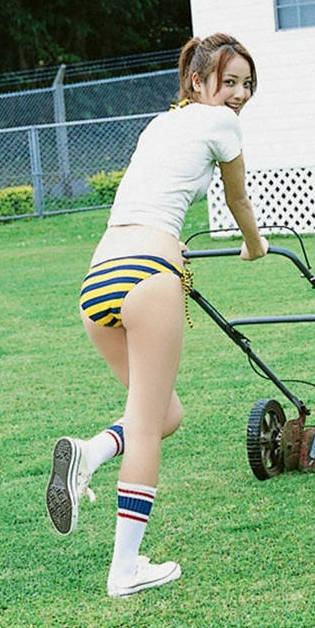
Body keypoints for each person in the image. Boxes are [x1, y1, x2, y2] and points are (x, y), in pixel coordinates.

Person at [46, 33, 267, 596]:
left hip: (99, 278)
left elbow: (150, 199)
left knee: (165, 414)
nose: (239, 93)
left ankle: (90, 454)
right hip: (148, 278)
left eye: (247, 83)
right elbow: (238, 200)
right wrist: (254, 244)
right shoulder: (220, 124)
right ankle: (125, 570)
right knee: (148, 424)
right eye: (229, 81)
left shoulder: (160, 124)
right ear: (198, 82)